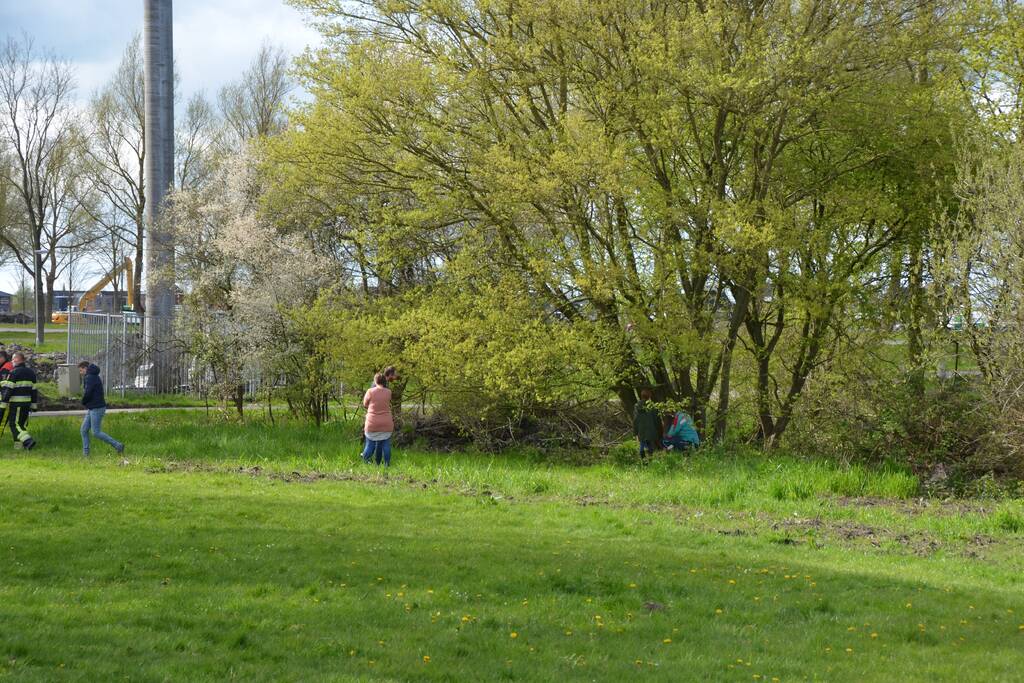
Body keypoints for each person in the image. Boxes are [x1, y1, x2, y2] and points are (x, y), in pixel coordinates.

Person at [78, 361, 124, 457]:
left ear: (85, 368)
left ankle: (118, 445)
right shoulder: (93, 376)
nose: (80, 373)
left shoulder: (90, 377)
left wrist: (83, 401)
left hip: (97, 408)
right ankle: (86, 454)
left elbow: (88, 392)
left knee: (96, 432)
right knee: (84, 430)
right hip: (93, 408)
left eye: (81, 370)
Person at [2, 352, 37, 449]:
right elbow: (34, 391)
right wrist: (34, 405)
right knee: (21, 425)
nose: (12, 362)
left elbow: (8, 389)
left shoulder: (13, 372)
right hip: (27, 403)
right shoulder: (31, 373)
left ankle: (28, 441)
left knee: (14, 424)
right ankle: (18, 446)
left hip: (16, 404)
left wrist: (3, 404)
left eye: (13, 360)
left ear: (17, 360)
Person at [362, 372, 394, 466]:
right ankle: (387, 464)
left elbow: (365, 404)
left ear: (375, 381)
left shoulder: (370, 391)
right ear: (384, 381)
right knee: (386, 445)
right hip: (386, 423)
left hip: (372, 423)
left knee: (370, 445)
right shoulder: (389, 392)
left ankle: (366, 462)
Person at [632, 389, 662, 462]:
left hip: (641, 430)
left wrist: (635, 432)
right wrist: (659, 431)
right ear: (649, 396)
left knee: (642, 444)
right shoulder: (653, 406)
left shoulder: (636, 406)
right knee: (650, 445)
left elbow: (635, 420)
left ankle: (644, 461)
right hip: (651, 429)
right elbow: (657, 420)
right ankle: (650, 460)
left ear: (641, 396)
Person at [0, 350, 12, 431]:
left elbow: (5, 385)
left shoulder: (6, 368)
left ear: (2, 358)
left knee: (2, 421)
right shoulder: (7, 366)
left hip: (6, 399)